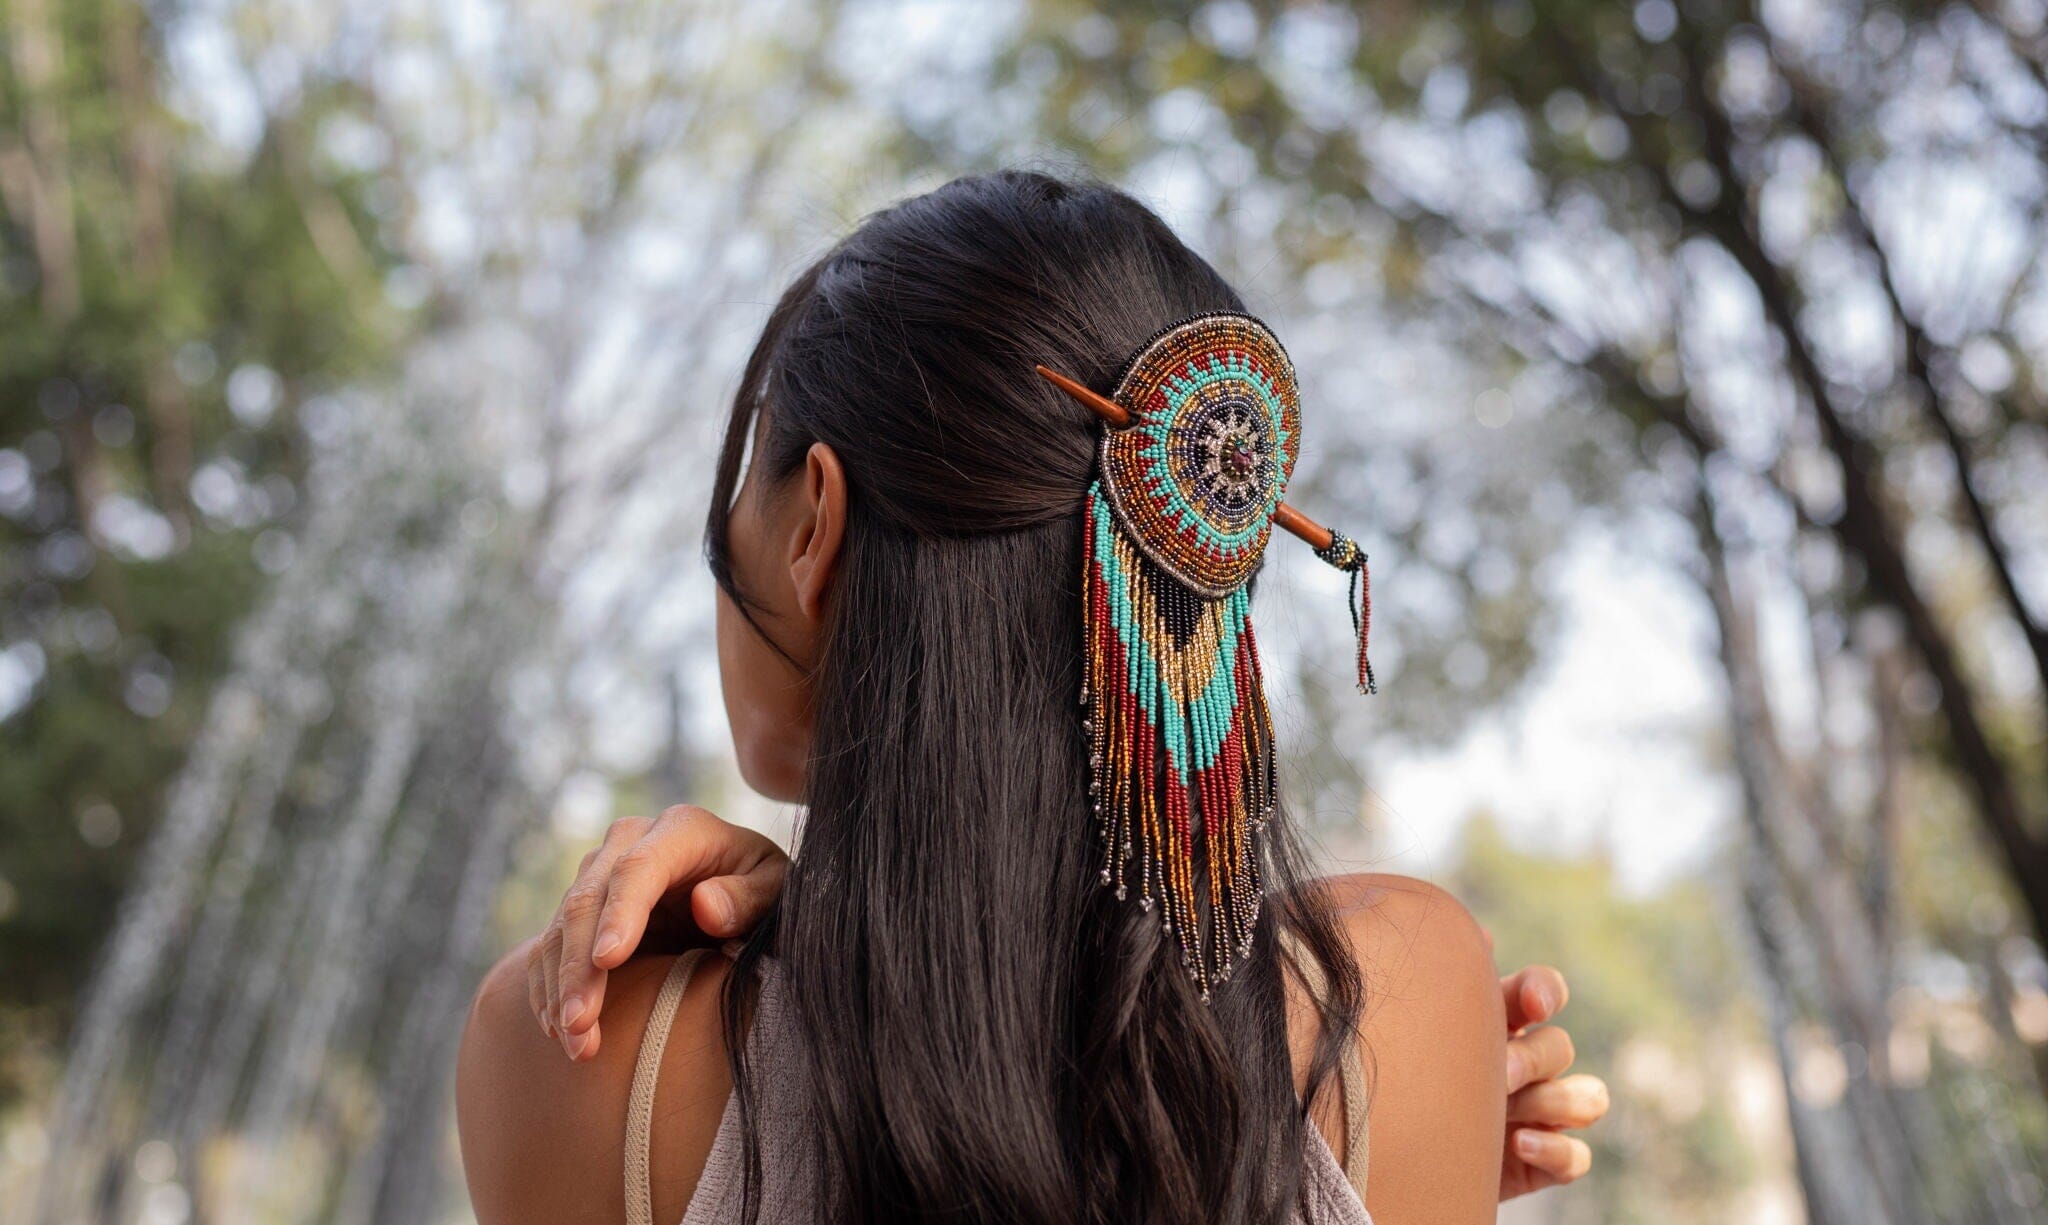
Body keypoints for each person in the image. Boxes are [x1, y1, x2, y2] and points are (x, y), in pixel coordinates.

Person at [457, 172, 1609, 1225]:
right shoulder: (1393, 1003)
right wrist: (1431, 1127)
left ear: (814, 523)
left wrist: (760, 942)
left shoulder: (579, 1050)